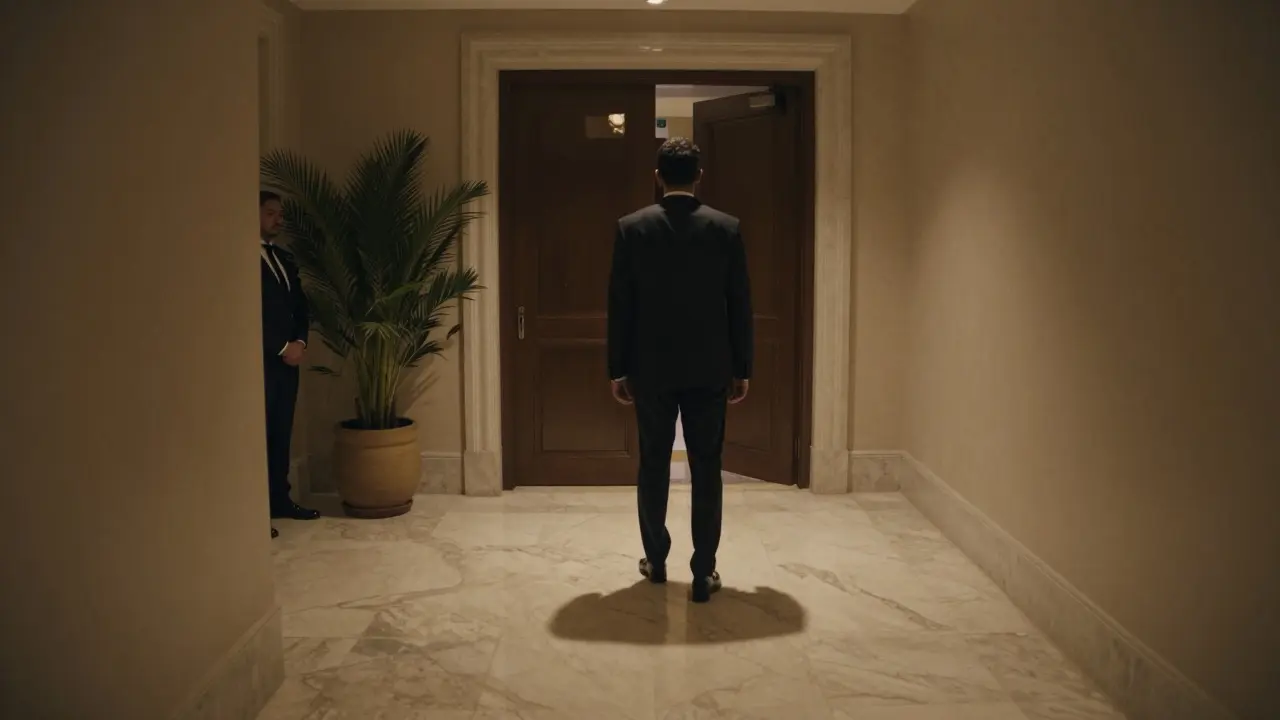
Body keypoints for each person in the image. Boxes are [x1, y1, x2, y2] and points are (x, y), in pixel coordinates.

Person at [606, 138, 753, 603]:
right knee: (707, 467)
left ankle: (656, 560)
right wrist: (742, 366)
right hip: (710, 368)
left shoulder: (632, 229)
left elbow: (620, 305)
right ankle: (704, 571)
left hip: (649, 370)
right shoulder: (725, 228)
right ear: (699, 176)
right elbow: (739, 304)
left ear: (658, 175)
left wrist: (618, 368)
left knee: (653, 464)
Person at [259, 191, 320, 538]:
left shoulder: (283, 258)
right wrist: (281, 346)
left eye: (279, 214)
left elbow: (300, 306)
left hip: (289, 361)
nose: (278, 220)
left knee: (282, 432)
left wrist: (300, 342)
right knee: (261, 434)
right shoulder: (239, 259)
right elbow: (249, 313)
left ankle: (280, 499)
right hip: (263, 362)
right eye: (270, 213)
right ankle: (257, 509)